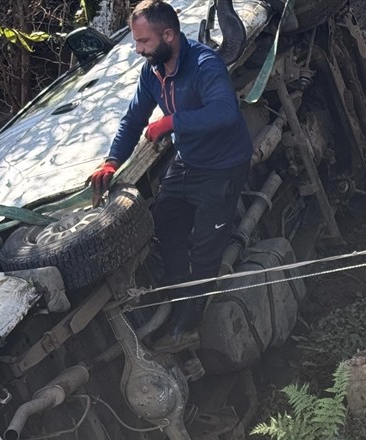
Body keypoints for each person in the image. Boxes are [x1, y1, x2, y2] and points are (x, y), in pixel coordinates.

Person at [88, 0, 253, 352]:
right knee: (164, 225)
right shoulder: (152, 72)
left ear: (169, 35)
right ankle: (178, 294)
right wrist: (112, 161)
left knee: (206, 248)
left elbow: (225, 111)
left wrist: (172, 122)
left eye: (144, 42)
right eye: (136, 42)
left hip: (222, 166)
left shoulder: (205, 65)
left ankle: (189, 323)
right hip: (188, 161)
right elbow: (133, 119)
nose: (138, 50)